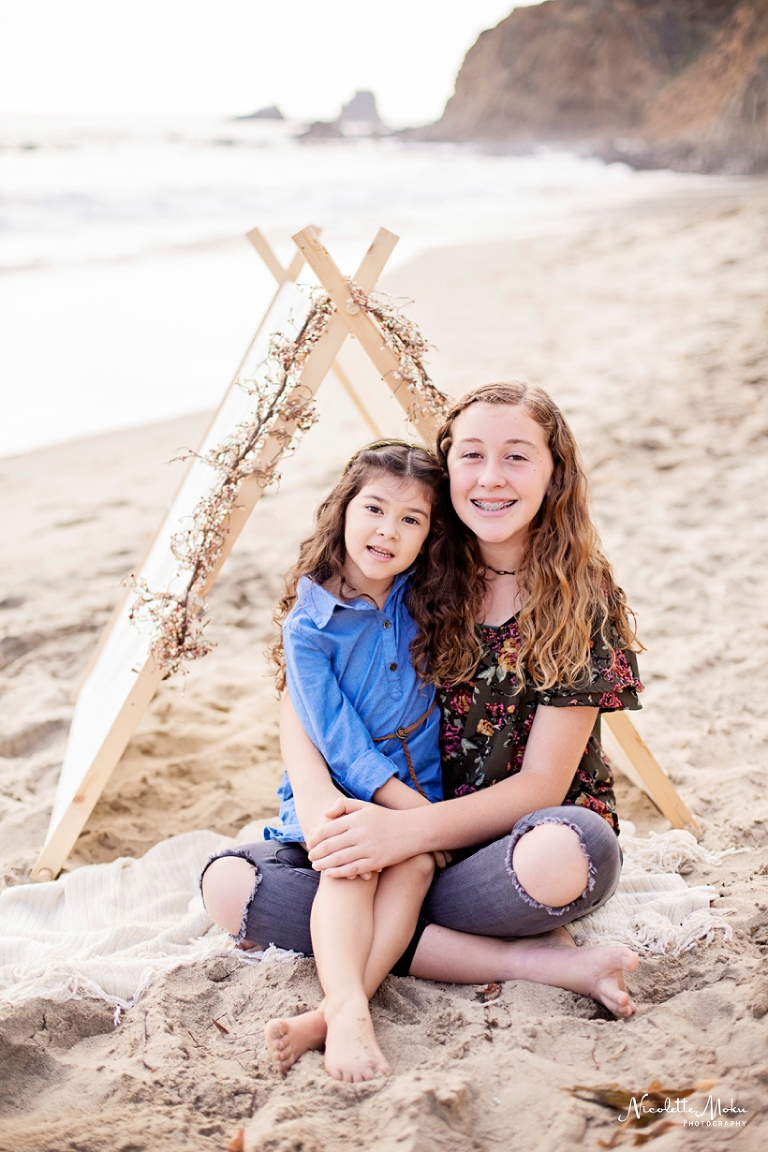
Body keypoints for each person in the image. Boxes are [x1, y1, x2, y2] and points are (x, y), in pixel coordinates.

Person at [201, 381, 643, 1077]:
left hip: (508, 847)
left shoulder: (579, 596)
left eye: (518, 457)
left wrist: (404, 832)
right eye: (472, 455)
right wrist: (324, 813)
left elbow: (542, 784)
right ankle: (501, 954)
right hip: (394, 832)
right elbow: (305, 695)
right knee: (229, 887)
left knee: (570, 855)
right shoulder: (421, 564)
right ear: (447, 474)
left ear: (555, 473)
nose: (491, 478)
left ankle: (385, 946)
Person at [204, 441, 462, 1082]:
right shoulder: (309, 626)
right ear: (343, 509)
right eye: (374, 508)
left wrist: (418, 823)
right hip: (349, 782)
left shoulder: (422, 594)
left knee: (415, 866)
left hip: (419, 779)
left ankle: (335, 1010)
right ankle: (349, 1013)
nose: (387, 531)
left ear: (429, 534)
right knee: (357, 865)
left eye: (412, 520)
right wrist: (413, 812)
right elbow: (339, 741)